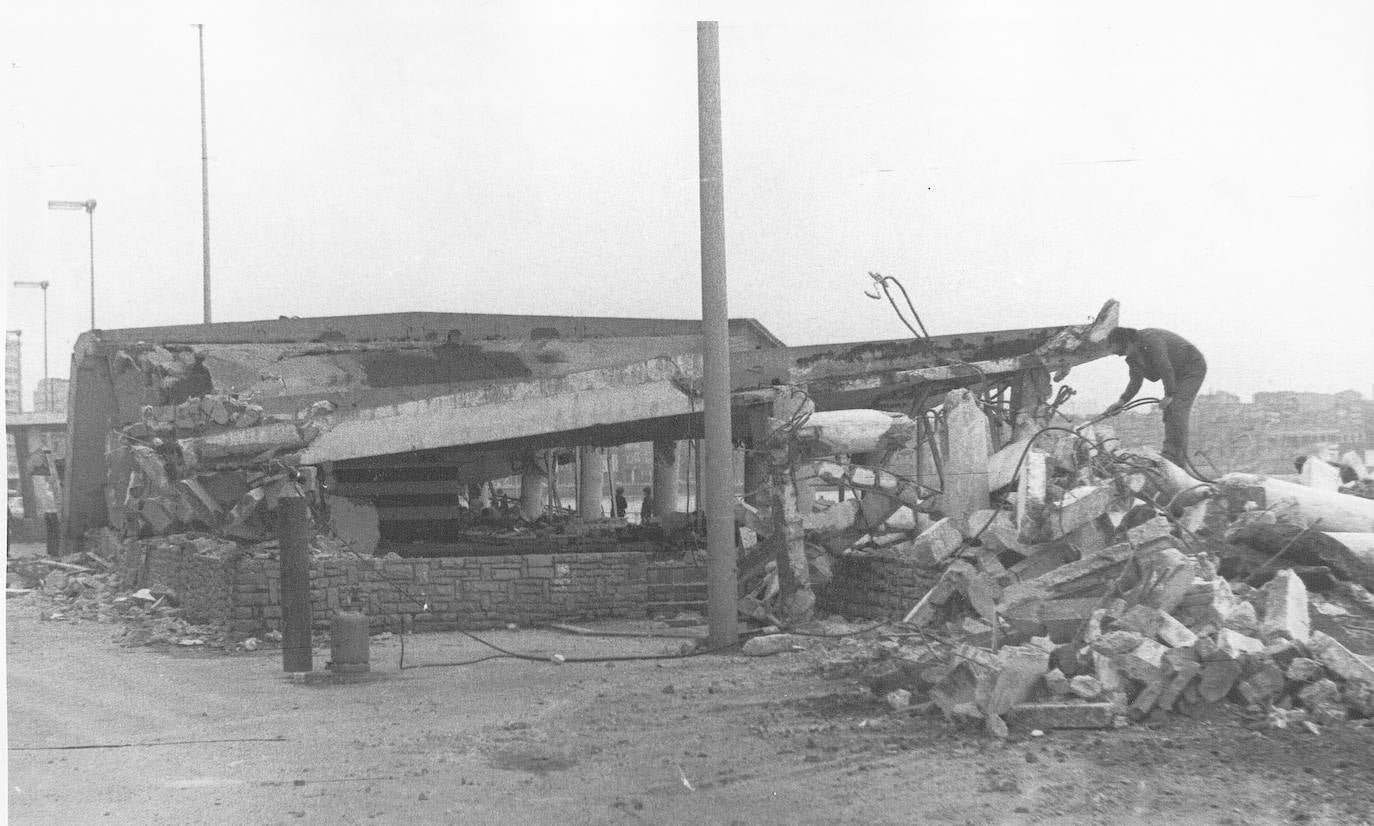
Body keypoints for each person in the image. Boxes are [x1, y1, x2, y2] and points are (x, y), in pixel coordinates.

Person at [1102, 326, 1207, 468]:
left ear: (1128, 342)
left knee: (1176, 408)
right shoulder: (1133, 357)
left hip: (1192, 366)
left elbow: (1164, 365)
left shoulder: (1150, 339)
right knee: (1170, 410)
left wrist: (1169, 395)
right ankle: (1170, 455)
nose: (1122, 355)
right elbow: (1135, 382)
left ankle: (1176, 461)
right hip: (1176, 371)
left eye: (1121, 351)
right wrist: (1121, 401)